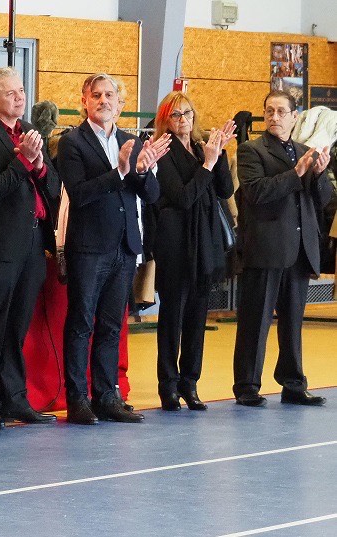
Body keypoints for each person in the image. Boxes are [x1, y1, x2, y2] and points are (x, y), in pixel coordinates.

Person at [57, 73, 169, 425]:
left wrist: (144, 170)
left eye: (110, 95)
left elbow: (150, 195)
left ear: (121, 104)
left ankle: (107, 395)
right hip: (89, 248)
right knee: (81, 323)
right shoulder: (72, 142)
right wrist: (120, 171)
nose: (104, 101)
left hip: (124, 247)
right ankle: (78, 398)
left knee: (110, 326)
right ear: (85, 102)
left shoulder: (129, 140)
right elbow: (80, 193)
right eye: (97, 95)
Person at [0, 67, 60, 428]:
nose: (20, 98)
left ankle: (15, 398)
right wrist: (20, 163)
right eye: (11, 93)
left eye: (21, 91)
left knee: (19, 325)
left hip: (33, 241)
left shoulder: (30, 131)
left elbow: (52, 184)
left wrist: (38, 167)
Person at [232, 90, 333, 407]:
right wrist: (297, 173)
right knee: (255, 320)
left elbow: (323, 198)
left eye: (280, 111)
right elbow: (255, 192)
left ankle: (293, 383)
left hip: (300, 248)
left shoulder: (306, 150)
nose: (274, 117)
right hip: (265, 248)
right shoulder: (252, 150)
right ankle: (247, 385)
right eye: (269, 111)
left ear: (294, 116)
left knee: (292, 322)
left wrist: (318, 175)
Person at [151, 91, 235, 411]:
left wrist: (219, 155)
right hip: (175, 244)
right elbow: (183, 197)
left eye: (187, 113)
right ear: (166, 121)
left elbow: (224, 190)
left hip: (205, 243)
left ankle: (190, 382)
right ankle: (168, 385)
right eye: (176, 115)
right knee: (173, 316)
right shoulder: (164, 152)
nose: (184, 120)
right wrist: (208, 164)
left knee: (198, 316)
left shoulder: (203, 149)